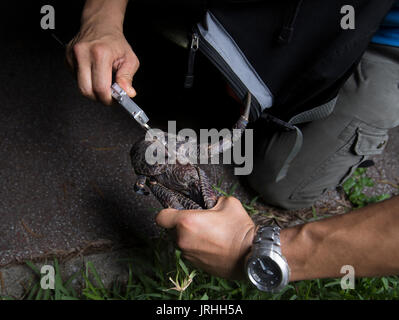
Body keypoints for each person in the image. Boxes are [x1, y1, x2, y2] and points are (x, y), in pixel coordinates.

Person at [67, 0, 399, 286]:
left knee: (282, 181)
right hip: (281, 16)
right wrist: (102, 17)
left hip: (383, 38)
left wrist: (260, 251)